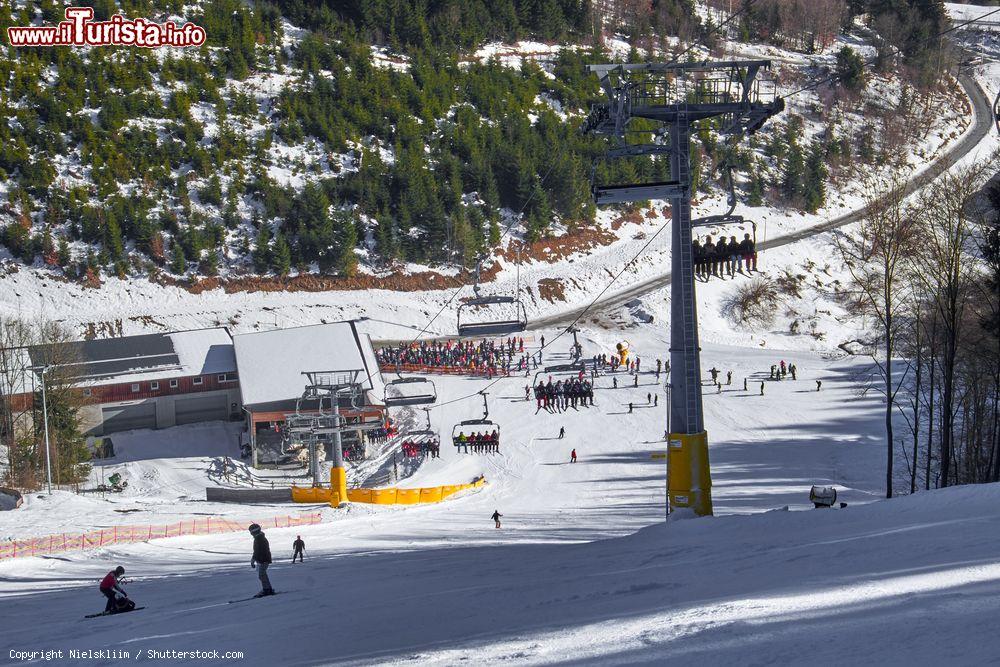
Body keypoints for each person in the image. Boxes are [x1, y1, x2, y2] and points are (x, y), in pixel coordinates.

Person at [249, 523, 275, 597]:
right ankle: (268, 588)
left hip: (264, 559)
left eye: (251, 532)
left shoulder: (260, 539)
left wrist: (254, 559)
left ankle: (267, 589)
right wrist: (254, 559)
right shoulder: (258, 538)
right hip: (263, 559)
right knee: (262, 574)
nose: (251, 534)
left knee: (262, 575)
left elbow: (259, 551)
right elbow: (256, 551)